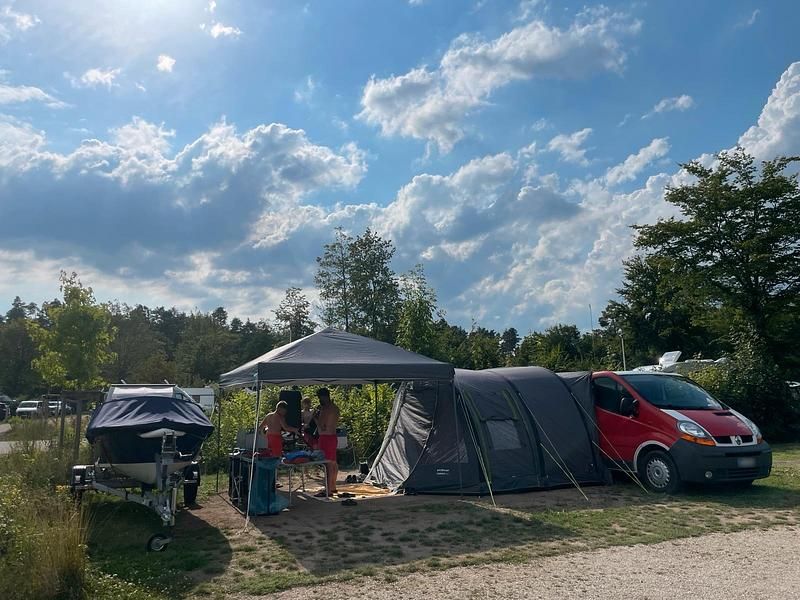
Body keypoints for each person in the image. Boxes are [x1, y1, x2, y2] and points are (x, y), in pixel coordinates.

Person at [314, 388, 340, 496]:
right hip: (332, 437)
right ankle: (332, 487)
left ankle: (328, 489)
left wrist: (315, 417)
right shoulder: (335, 408)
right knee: (333, 463)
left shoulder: (326, 409)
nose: (319, 400)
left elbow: (322, 426)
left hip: (326, 437)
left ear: (324, 397)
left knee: (328, 464)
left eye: (320, 398)